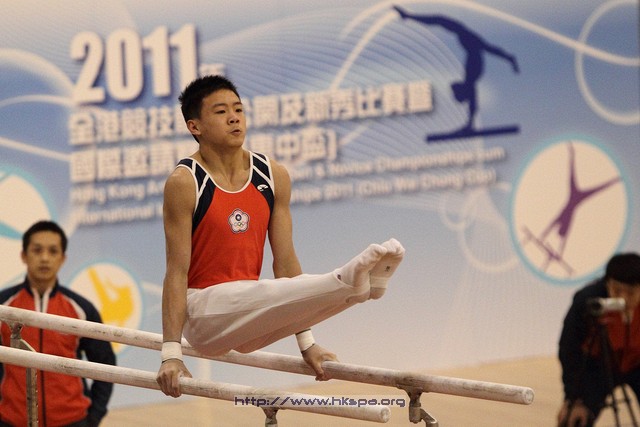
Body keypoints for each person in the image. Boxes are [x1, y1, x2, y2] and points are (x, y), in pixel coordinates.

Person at [155, 75, 405, 398]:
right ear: (195, 126)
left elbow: (285, 263)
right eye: (221, 111)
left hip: (250, 320)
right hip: (204, 316)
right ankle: (346, 282)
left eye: (238, 109)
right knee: (263, 292)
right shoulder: (185, 182)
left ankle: (357, 290)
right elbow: (176, 272)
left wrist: (307, 344)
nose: (234, 118)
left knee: (276, 292)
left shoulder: (272, 175)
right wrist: (171, 354)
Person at [0, 220, 116, 427]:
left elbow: (105, 364)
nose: (45, 258)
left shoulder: (81, 309)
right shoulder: (4, 307)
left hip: (73, 420)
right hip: (12, 421)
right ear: (24, 255)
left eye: (53, 251)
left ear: (62, 258)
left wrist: (93, 417)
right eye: (37, 250)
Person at [557, 253, 640, 427]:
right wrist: (572, 398)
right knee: (574, 421)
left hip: (637, 364)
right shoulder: (587, 302)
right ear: (607, 283)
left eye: (631, 292)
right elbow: (569, 349)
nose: (623, 299)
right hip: (599, 367)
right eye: (617, 290)